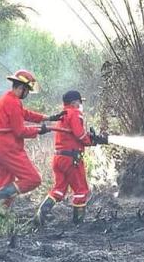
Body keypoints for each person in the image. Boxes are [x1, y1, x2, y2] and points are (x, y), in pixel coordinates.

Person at [0, 69, 64, 215]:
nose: (27, 94)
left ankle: (1, 218)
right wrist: (39, 131)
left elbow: (25, 114)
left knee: (6, 188)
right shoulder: (13, 102)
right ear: (21, 88)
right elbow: (20, 131)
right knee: (33, 179)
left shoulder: (6, 99)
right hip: (10, 150)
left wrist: (49, 118)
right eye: (27, 90)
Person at [35, 90, 107, 226]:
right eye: (80, 102)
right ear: (74, 102)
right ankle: (78, 223)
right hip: (71, 159)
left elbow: (73, 134)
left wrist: (89, 138)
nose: (81, 105)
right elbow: (79, 135)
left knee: (59, 189)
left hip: (59, 158)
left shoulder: (63, 115)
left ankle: (42, 212)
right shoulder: (74, 113)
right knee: (81, 190)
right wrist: (90, 141)